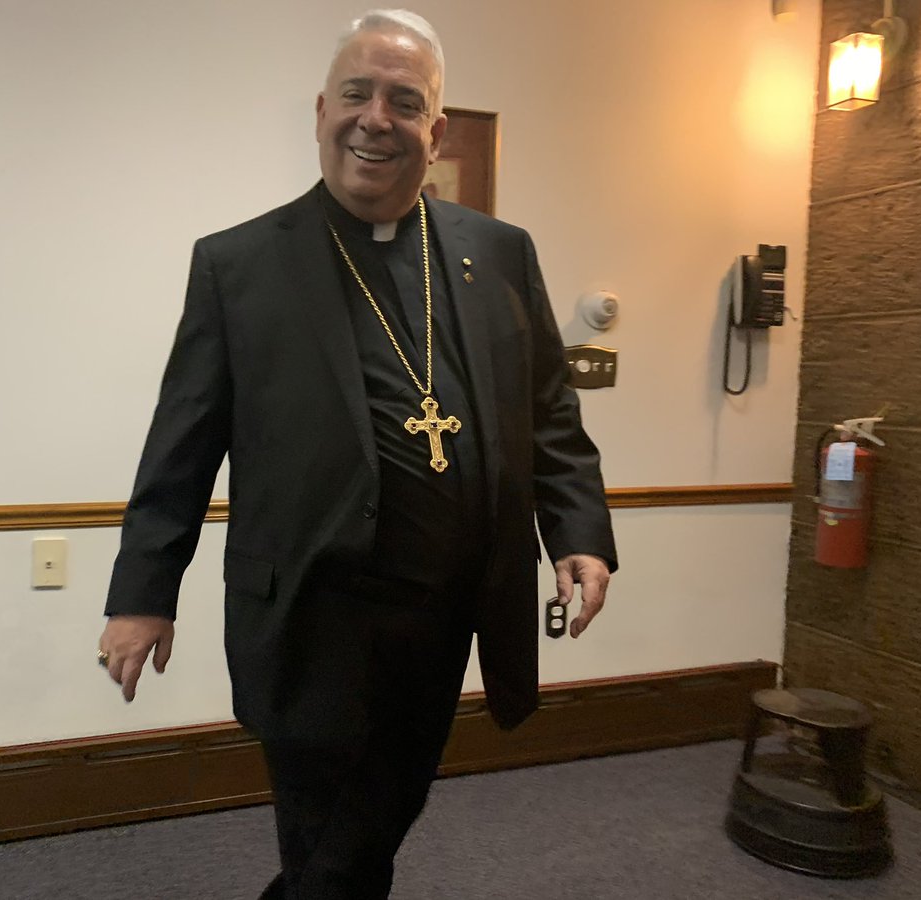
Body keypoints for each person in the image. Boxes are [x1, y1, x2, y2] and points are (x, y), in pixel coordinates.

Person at [98, 9, 617, 898]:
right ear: (320, 111)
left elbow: (547, 413)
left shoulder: (496, 253)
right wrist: (143, 595)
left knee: (372, 823)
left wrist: (579, 530)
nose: (376, 117)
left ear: (436, 130)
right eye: (357, 94)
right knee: (332, 840)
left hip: (446, 615)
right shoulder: (241, 265)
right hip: (310, 615)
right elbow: (180, 444)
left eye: (404, 101)